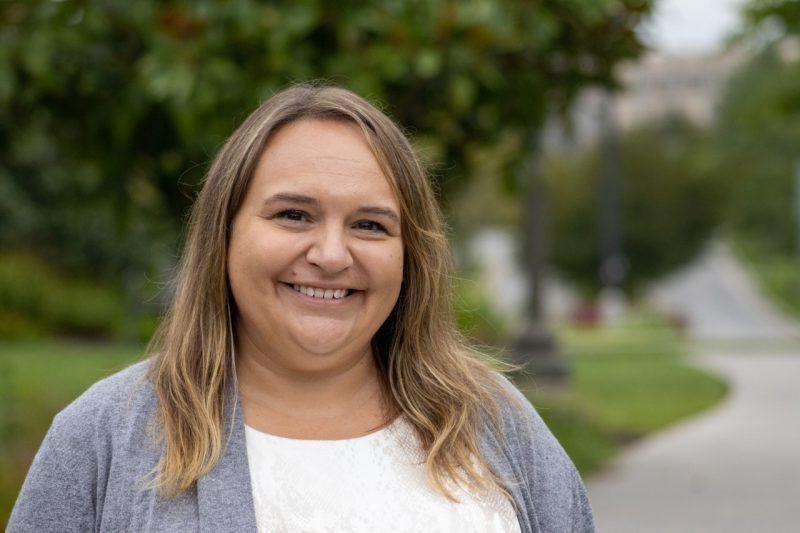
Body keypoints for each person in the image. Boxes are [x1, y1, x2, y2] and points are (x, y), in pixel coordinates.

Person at [8, 83, 594, 532]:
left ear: (409, 254)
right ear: (225, 233)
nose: (332, 254)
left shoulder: (493, 424)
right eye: (293, 214)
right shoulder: (105, 435)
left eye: (370, 225)